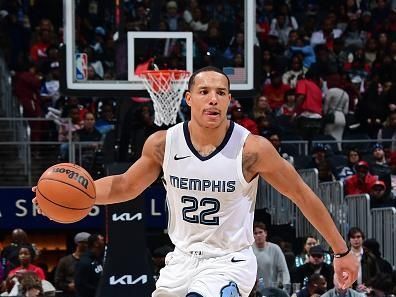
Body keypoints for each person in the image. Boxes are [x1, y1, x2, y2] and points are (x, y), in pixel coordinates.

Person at [34, 66, 358, 297]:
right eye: (204, 92)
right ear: (188, 99)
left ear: (231, 100)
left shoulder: (252, 150)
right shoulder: (163, 143)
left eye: (221, 93)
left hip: (230, 261)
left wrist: (341, 250)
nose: (213, 99)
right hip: (181, 260)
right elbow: (123, 186)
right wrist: (80, 196)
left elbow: (302, 195)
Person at [252, 222, 290, 289]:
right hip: (254, 291)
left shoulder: (275, 248)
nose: (258, 235)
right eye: (255, 233)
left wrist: (285, 288)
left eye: (260, 232)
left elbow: (284, 271)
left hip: (272, 291)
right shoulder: (249, 250)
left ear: (265, 233)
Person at [54, 232, 90, 297]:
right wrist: (68, 286)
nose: (87, 245)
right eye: (85, 242)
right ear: (78, 243)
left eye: (88, 243)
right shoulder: (65, 261)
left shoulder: (92, 260)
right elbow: (57, 281)